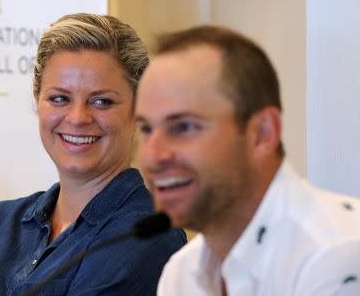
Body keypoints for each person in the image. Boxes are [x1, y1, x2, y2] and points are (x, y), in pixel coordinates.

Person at [0, 13, 186, 295]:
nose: (77, 117)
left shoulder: (148, 238)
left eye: (101, 101)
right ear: (38, 102)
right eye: (59, 98)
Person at [135, 25, 360, 296]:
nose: (151, 156)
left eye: (183, 128)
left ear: (263, 134)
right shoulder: (182, 273)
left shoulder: (334, 254)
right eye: (146, 129)